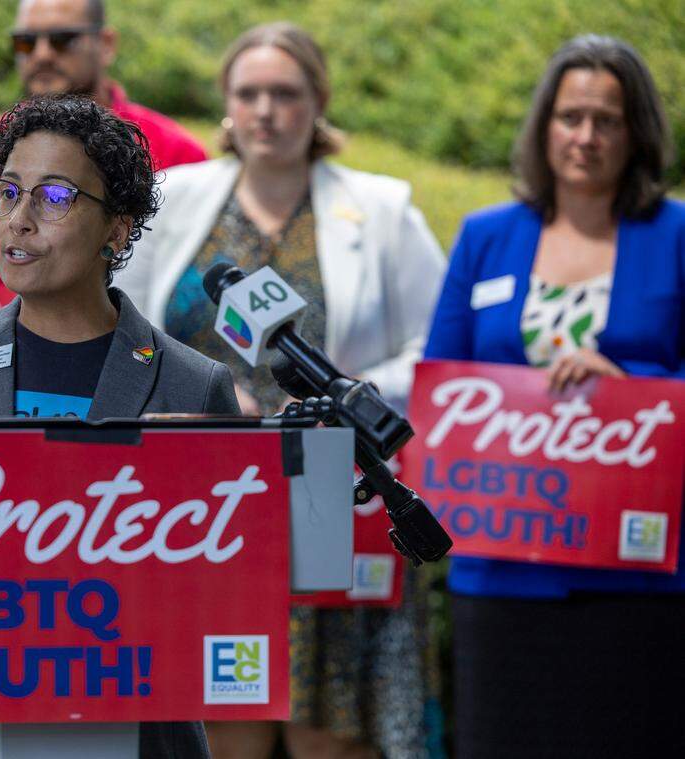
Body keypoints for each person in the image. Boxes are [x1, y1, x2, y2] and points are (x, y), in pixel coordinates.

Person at [117, 22, 446, 759]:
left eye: (286, 93)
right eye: (250, 93)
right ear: (227, 106)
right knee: (216, 714)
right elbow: (119, 327)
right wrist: (202, 390)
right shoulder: (168, 201)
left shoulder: (385, 211)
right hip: (198, 507)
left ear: (318, 102)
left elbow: (439, 349)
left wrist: (348, 394)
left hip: (338, 495)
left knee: (330, 725)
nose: (266, 109)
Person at [0, 94, 237, 758]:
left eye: (54, 197)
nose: (18, 220)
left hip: (128, 726)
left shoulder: (193, 385)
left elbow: (217, 607)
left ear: (119, 230)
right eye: (7, 192)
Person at [424, 35, 685, 758]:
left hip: (634, 575)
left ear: (637, 133)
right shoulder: (486, 236)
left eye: (609, 119)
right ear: (544, 126)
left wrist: (633, 391)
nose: (587, 136)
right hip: (502, 568)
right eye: (571, 116)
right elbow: (442, 378)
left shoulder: (678, 236)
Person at [0, 0, 207, 301]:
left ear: (106, 44)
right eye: (26, 42)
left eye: (62, 39)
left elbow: (193, 294)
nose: (42, 54)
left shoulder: (178, 155)